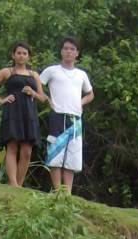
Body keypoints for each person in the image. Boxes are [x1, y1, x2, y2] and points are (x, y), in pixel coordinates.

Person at [0, 42, 47, 187]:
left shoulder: (34, 74)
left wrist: (33, 93)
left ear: (29, 56)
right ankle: (13, 183)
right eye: (19, 53)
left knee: (27, 151)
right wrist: (1, 100)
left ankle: (19, 185)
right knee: (12, 147)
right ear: (13, 55)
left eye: (25, 53)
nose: (21, 56)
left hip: (29, 115)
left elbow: (43, 98)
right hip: (12, 112)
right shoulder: (7, 72)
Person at [39, 37, 94, 192]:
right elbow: (37, 84)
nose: (69, 51)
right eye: (66, 48)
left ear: (77, 53)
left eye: (72, 49)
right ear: (61, 51)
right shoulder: (52, 70)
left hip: (75, 118)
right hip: (57, 116)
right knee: (55, 155)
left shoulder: (81, 74)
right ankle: (57, 191)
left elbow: (90, 94)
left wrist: (80, 102)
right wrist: (46, 99)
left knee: (73, 157)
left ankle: (67, 193)